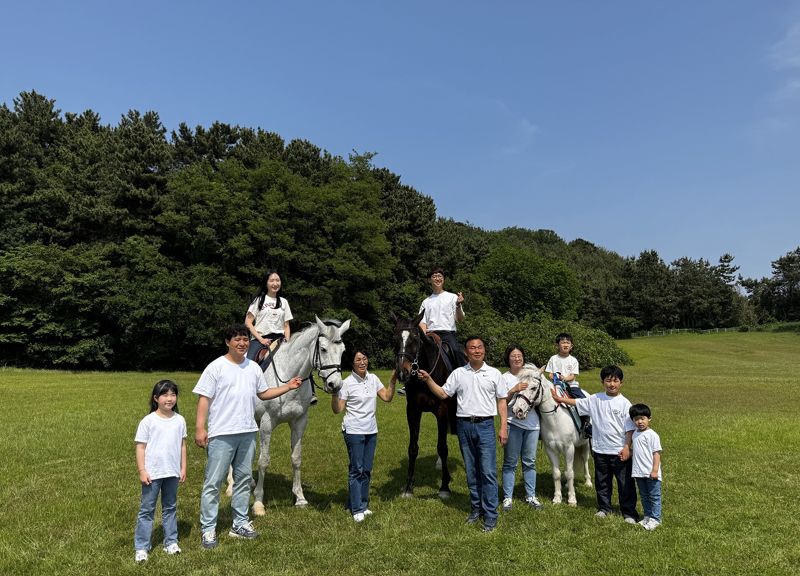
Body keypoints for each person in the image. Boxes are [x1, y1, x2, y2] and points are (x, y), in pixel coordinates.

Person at [194, 324, 302, 550]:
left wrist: (287, 386)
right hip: (222, 433)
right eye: (237, 340)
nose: (242, 343)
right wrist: (200, 428)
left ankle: (240, 523)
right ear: (227, 342)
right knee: (213, 483)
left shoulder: (253, 368)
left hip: (247, 432)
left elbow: (263, 393)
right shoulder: (216, 367)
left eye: (245, 339)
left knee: (243, 480)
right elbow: (204, 399)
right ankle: (208, 529)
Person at [419, 336, 508, 532]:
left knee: (488, 472)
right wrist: (429, 380)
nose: (477, 350)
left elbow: (502, 401)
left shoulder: (494, 374)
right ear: (466, 353)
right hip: (464, 426)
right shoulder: (458, 373)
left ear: (484, 350)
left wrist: (503, 427)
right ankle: (476, 509)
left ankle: (491, 515)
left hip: (485, 426)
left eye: (480, 347)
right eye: (472, 348)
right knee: (471, 472)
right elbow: (443, 394)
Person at [552, 365, 639, 523]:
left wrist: (627, 447)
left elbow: (630, 429)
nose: (611, 384)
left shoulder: (625, 404)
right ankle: (604, 508)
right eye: (608, 380)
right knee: (602, 482)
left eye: (615, 381)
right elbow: (577, 403)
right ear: (602, 382)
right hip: (599, 450)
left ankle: (629, 512)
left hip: (619, 451)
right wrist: (559, 399)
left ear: (621, 383)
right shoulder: (595, 399)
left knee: (625, 484)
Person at [331, 350, 397, 522]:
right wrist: (333, 393)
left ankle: (362, 504)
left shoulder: (373, 378)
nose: (362, 362)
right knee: (356, 470)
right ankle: (356, 509)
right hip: (353, 431)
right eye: (358, 359)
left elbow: (387, 397)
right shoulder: (346, 383)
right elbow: (337, 409)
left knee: (366, 470)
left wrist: (393, 380)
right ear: (352, 364)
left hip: (371, 430)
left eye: (364, 359)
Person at [133, 380, 187, 563]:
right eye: (165, 395)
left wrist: (183, 467)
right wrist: (142, 470)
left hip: (172, 472)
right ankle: (142, 546)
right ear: (156, 398)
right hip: (152, 473)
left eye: (173, 394)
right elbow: (140, 448)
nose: (169, 398)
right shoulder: (148, 421)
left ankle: (171, 542)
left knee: (170, 507)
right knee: (147, 509)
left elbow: (182, 446)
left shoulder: (180, 420)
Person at [245, 269, 316, 405]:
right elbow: (248, 322)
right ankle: (246, 393)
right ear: (266, 283)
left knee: (303, 358)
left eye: (277, 280)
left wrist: (288, 342)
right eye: (272, 280)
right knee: (249, 363)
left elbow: (286, 325)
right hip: (261, 339)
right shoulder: (259, 300)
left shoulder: (283, 302)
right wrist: (260, 339)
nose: (275, 283)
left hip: (280, 339)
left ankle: (311, 392)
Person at [399, 267, 465, 397]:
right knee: (414, 353)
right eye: (434, 276)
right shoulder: (426, 301)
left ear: (443, 279)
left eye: (440, 276)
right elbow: (422, 322)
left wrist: (458, 305)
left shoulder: (452, 297)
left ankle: (464, 384)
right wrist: (422, 338)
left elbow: (460, 319)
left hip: (447, 334)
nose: (437, 278)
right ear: (429, 280)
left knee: (457, 352)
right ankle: (408, 385)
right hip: (429, 334)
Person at [500, 345, 544, 512]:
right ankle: (507, 498)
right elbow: (501, 401)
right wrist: (514, 389)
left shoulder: (531, 374)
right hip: (513, 424)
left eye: (519, 355)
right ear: (508, 358)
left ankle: (531, 496)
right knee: (510, 463)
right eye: (513, 356)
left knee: (530, 462)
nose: (517, 358)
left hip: (533, 425)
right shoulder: (504, 377)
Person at [545, 333, 591, 438]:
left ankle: (586, 424)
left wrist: (564, 378)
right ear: (557, 345)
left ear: (571, 346)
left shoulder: (573, 360)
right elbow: (550, 373)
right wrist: (552, 377)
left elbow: (573, 376)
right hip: (555, 385)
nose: (565, 345)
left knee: (582, 399)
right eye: (563, 342)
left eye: (568, 343)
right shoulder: (553, 359)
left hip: (571, 386)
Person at [629, 403, 663, 530]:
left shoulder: (652, 435)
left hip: (651, 473)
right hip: (638, 472)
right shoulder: (635, 434)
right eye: (636, 419)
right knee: (644, 495)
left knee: (654, 496)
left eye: (642, 418)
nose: (640, 422)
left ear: (649, 419)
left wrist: (654, 470)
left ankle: (656, 518)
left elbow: (656, 453)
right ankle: (647, 516)